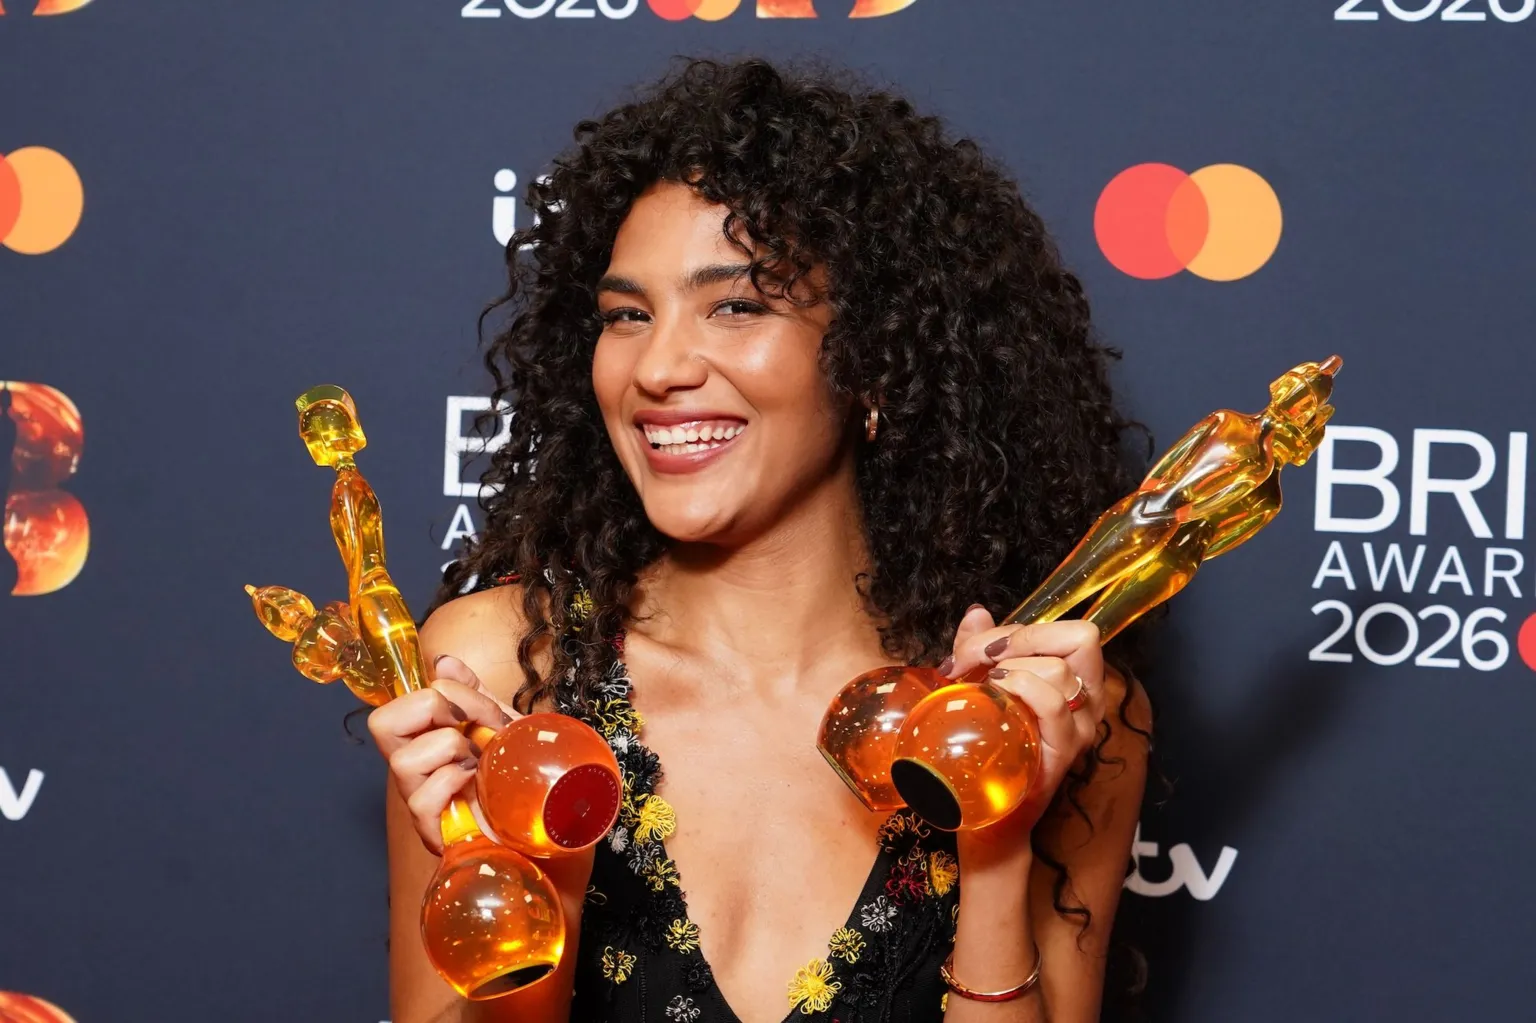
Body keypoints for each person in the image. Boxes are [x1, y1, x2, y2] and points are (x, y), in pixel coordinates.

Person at [369, 58, 1153, 1023]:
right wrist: (540, 877)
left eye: (736, 305)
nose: (656, 366)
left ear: (874, 358)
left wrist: (993, 841)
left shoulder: (1053, 710)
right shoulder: (501, 671)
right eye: (626, 315)